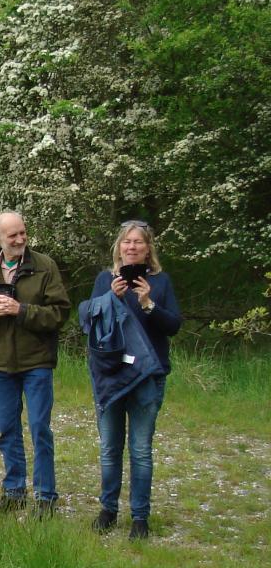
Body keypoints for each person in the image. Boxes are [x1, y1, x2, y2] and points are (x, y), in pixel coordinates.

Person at [0, 210, 71, 513]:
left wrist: (20, 310)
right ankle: (14, 491)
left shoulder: (44, 266)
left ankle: (46, 497)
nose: (21, 239)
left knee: (40, 429)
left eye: (23, 233)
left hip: (37, 361)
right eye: (13, 235)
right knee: (8, 430)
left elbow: (60, 313)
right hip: (0, 365)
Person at [88, 220, 182, 539]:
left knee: (141, 449)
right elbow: (86, 318)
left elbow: (173, 326)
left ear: (148, 248)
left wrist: (148, 304)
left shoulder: (162, 282)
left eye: (138, 242)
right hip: (112, 375)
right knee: (110, 448)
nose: (132, 247)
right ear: (119, 246)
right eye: (127, 242)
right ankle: (108, 510)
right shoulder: (105, 279)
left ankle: (140, 517)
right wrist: (109, 299)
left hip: (147, 377)